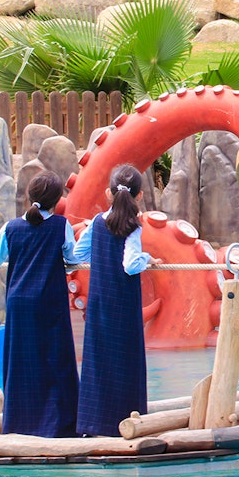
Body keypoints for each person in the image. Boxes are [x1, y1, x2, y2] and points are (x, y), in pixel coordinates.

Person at [0, 171, 79, 438]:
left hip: (19, 304)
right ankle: (60, 425)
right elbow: (72, 259)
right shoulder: (61, 225)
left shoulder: (11, 228)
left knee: (22, 362)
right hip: (50, 304)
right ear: (56, 201)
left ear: (29, 197)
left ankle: (20, 424)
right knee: (56, 362)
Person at [73, 164, 159, 437]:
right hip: (123, 304)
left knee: (98, 360)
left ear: (109, 194)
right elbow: (131, 264)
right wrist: (148, 259)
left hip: (100, 303)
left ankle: (92, 423)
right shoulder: (133, 226)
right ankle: (127, 420)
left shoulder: (98, 222)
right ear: (140, 195)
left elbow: (78, 253)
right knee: (126, 361)